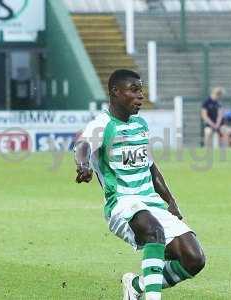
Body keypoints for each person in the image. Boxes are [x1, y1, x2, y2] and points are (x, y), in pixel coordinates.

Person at [74, 69, 206, 300]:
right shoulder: (103, 124)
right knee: (154, 232)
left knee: (193, 259)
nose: (140, 97)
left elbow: (151, 168)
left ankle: (136, 286)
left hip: (150, 203)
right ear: (115, 92)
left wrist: (171, 202)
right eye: (134, 90)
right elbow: (82, 145)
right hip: (122, 204)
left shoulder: (140, 125)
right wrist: (83, 164)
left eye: (141, 91)